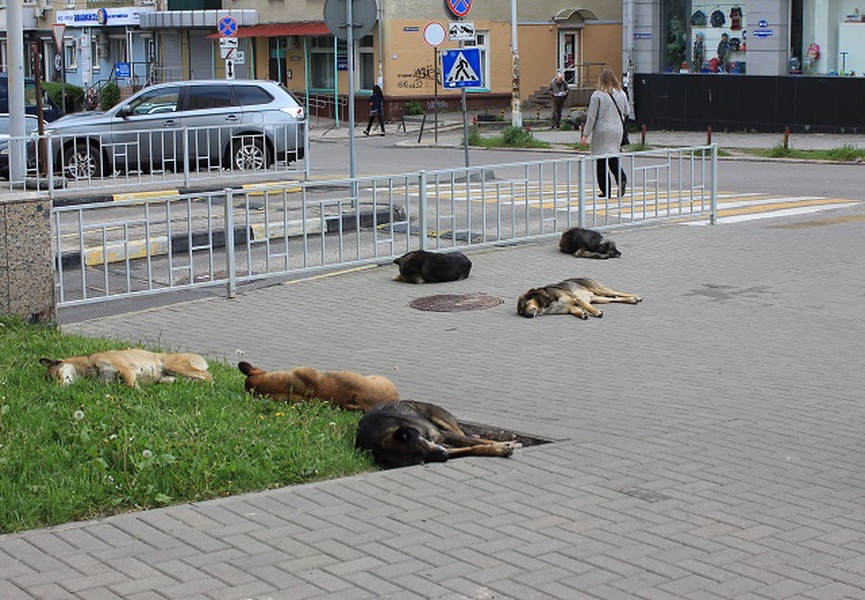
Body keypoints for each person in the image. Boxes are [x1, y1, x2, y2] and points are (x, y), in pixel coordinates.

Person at [580, 68, 629, 198]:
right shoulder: (621, 94)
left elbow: (591, 117)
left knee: (601, 160)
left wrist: (585, 135)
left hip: (602, 130)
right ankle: (622, 179)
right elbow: (627, 111)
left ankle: (605, 190)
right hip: (617, 130)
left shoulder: (597, 95)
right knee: (613, 156)